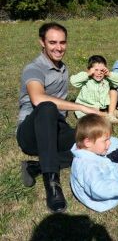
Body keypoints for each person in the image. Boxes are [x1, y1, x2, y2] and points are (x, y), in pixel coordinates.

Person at [17, 22, 102, 213]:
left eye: (62, 42)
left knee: (89, 143)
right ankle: (52, 183)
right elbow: (38, 99)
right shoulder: (34, 68)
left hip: (54, 129)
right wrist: (82, 106)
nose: (59, 47)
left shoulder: (63, 69)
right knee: (47, 106)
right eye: (52, 42)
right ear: (42, 42)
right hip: (30, 134)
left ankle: (35, 167)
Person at [70, 55, 118, 123]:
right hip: (87, 107)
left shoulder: (106, 79)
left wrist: (109, 74)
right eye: (96, 70)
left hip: (101, 107)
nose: (99, 73)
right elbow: (73, 81)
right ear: (89, 69)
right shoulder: (86, 79)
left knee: (114, 91)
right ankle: (106, 115)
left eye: (102, 70)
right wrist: (88, 74)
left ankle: (111, 114)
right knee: (91, 116)